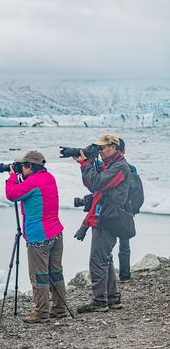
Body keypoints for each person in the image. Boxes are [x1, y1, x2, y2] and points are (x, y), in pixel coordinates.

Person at [5, 151, 66, 323]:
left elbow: (12, 194)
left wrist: (11, 177)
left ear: (30, 166)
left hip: (39, 237)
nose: (22, 169)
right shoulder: (49, 178)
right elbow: (28, 190)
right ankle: (59, 309)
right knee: (55, 273)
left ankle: (41, 313)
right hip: (56, 233)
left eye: (24, 166)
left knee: (39, 275)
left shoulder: (32, 182)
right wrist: (20, 175)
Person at [73, 133, 131, 313]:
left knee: (97, 260)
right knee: (105, 258)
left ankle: (99, 301)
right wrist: (87, 163)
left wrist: (85, 164)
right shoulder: (111, 165)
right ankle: (113, 298)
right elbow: (92, 185)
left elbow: (97, 183)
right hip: (106, 217)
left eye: (102, 147)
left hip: (107, 219)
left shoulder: (120, 167)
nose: (100, 150)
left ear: (113, 147)